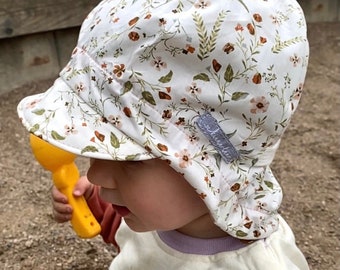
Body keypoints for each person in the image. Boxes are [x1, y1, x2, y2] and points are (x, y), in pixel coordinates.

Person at [17, 0, 310, 269]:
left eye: (131, 160)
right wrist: (91, 200)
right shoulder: (160, 213)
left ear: (213, 172)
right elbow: (123, 231)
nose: (96, 175)